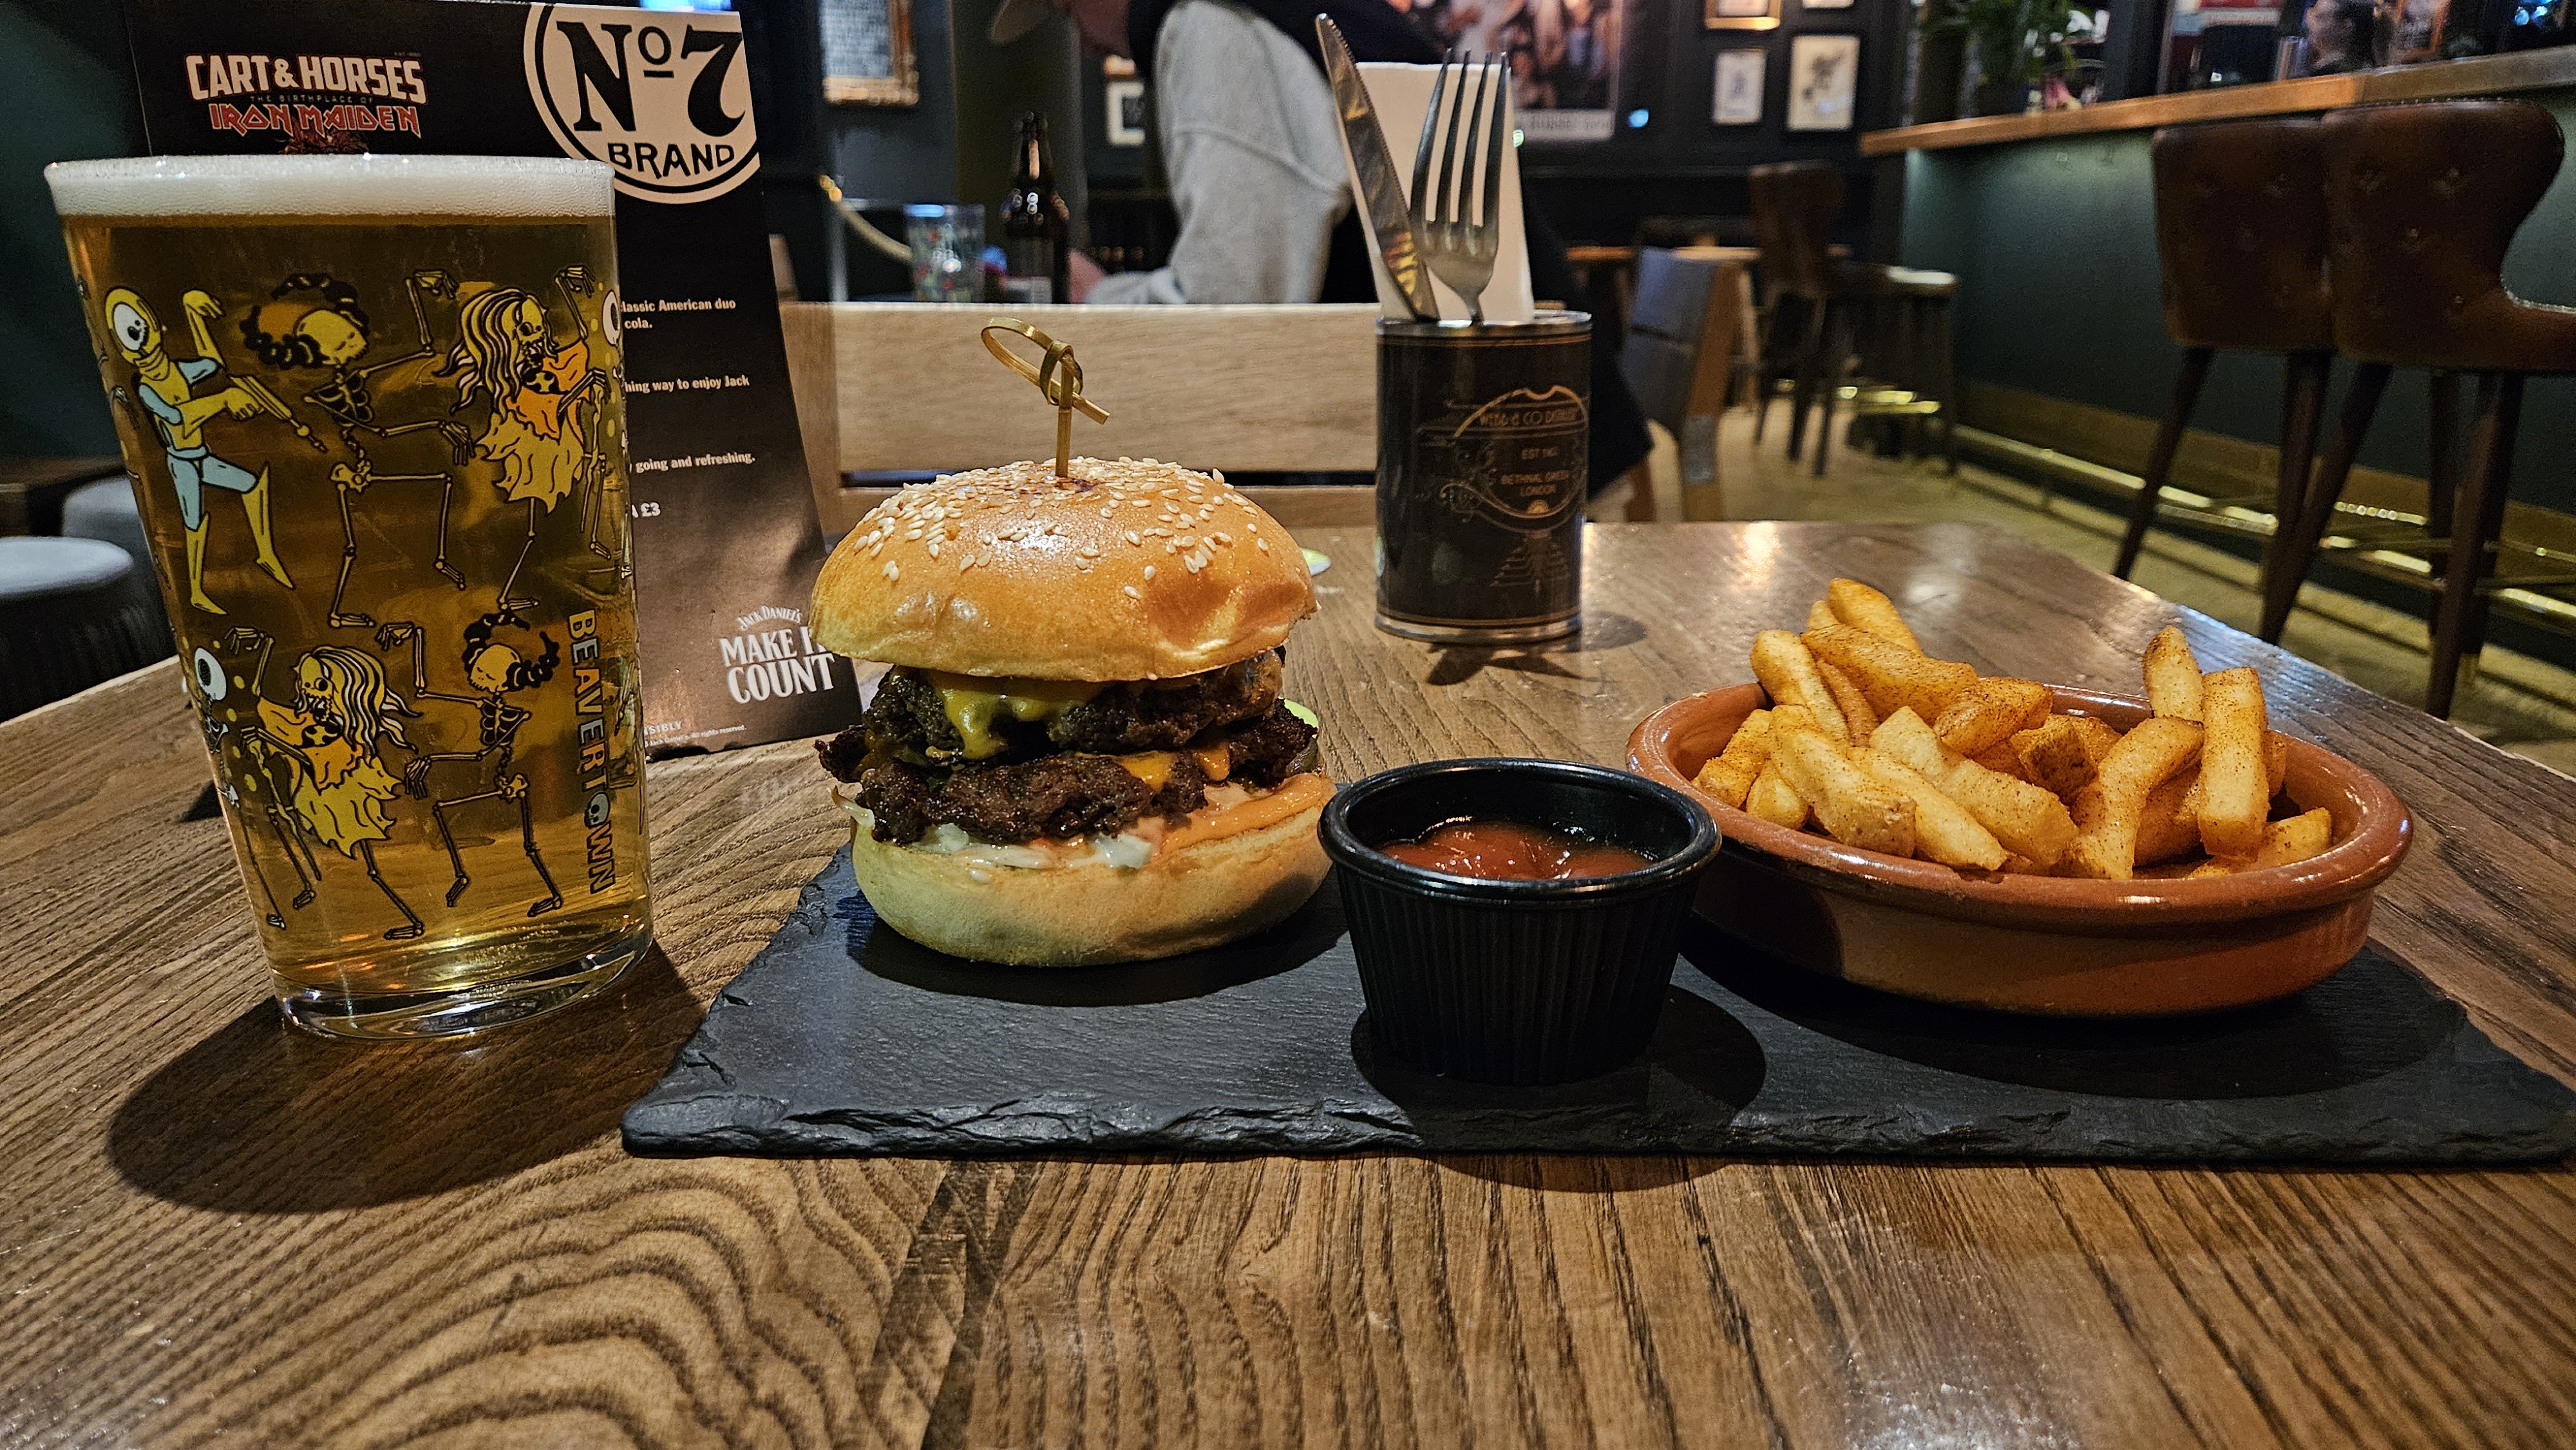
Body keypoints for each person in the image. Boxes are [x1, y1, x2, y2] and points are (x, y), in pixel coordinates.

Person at [990, 0, 1650, 493]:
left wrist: (1097, 295)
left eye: (1065, 10)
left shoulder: (1211, 24)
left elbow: (1236, 303)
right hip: (1519, 441)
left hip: (1517, 485)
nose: (1080, 43)